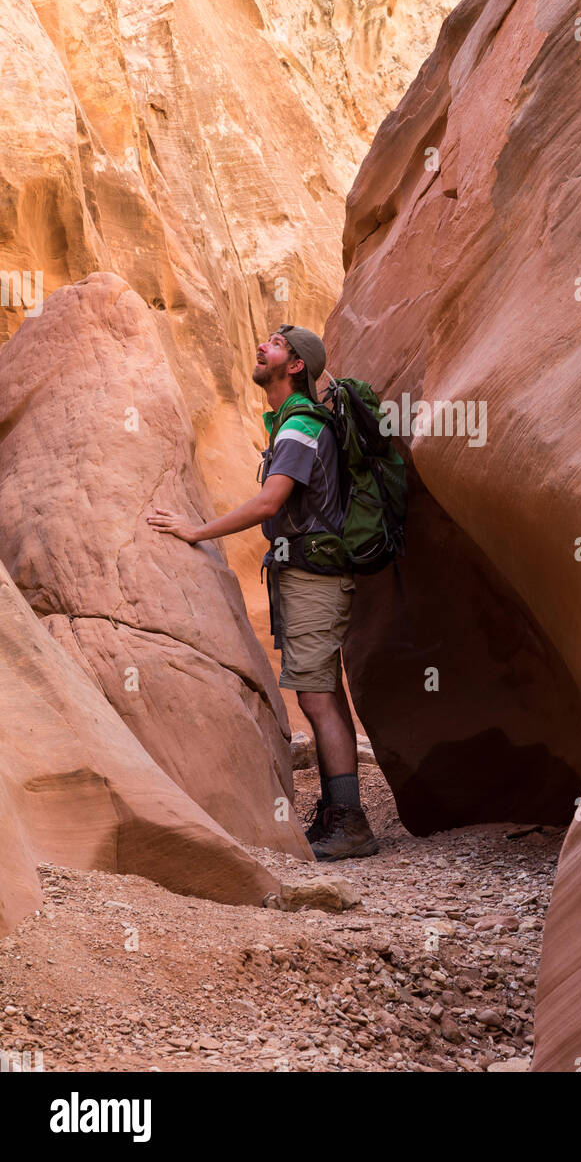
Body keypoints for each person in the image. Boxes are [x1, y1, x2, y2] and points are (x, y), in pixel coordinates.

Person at [147, 324, 378, 861]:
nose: (262, 345)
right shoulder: (291, 425)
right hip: (310, 575)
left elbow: (268, 504)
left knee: (317, 698)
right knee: (325, 695)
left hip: (313, 578)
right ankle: (336, 812)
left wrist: (195, 531)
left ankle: (350, 822)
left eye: (276, 344)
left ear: (295, 365)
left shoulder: (298, 425)